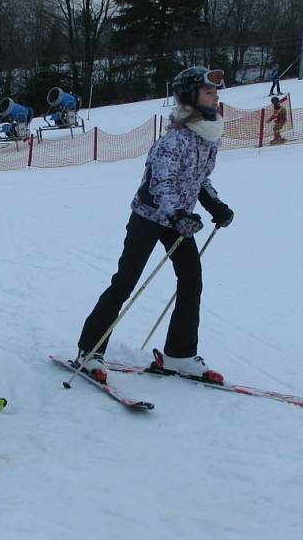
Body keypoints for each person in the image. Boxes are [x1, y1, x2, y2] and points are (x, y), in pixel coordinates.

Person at [74, 66, 234, 383]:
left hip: (179, 221)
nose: (215, 97)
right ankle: (89, 351)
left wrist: (215, 204)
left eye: (215, 92)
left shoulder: (208, 135)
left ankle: (180, 354)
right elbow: (162, 184)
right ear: (191, 97)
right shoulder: (174, 140)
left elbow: (201, 180)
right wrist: (177, 214)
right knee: (125, 283)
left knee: (191, 282)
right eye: (208, 92)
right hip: (149, 217)